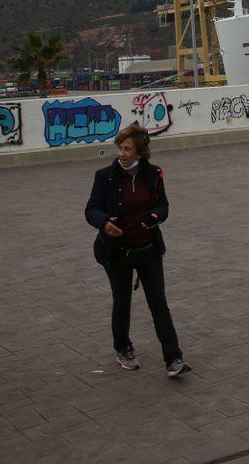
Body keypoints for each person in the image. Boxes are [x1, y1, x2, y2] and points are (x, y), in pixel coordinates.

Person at [85, 125, 189, 377]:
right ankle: (123, 348)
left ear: (141, 152)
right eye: (120, 148)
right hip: (117, 252)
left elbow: (163, 205)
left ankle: (174, 358)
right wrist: (104, 223)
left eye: (128, 149)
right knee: (122, 302)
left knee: (159, 303)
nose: (122, 153)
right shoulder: (105, 176)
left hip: (148, 250)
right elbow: (91, 209)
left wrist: (156, 216)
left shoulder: (154, 174)